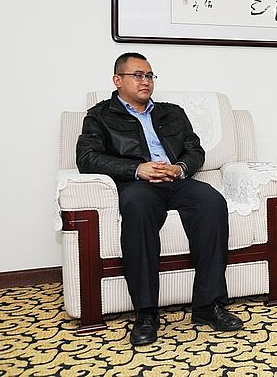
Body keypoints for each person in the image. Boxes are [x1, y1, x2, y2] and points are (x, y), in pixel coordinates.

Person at [76, 53, 243, 346]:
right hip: (137, 185)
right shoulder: (99, 116)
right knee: (138, 209)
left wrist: (180, 168)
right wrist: (136, 169)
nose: (145, 81)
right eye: (137, 75)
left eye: (150, 75)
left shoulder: (172, 113)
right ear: (117, 80)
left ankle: (208, 305)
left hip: (176, 181)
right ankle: (146, 314)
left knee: (211, 202)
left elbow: (195, 150)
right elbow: (87, 158)